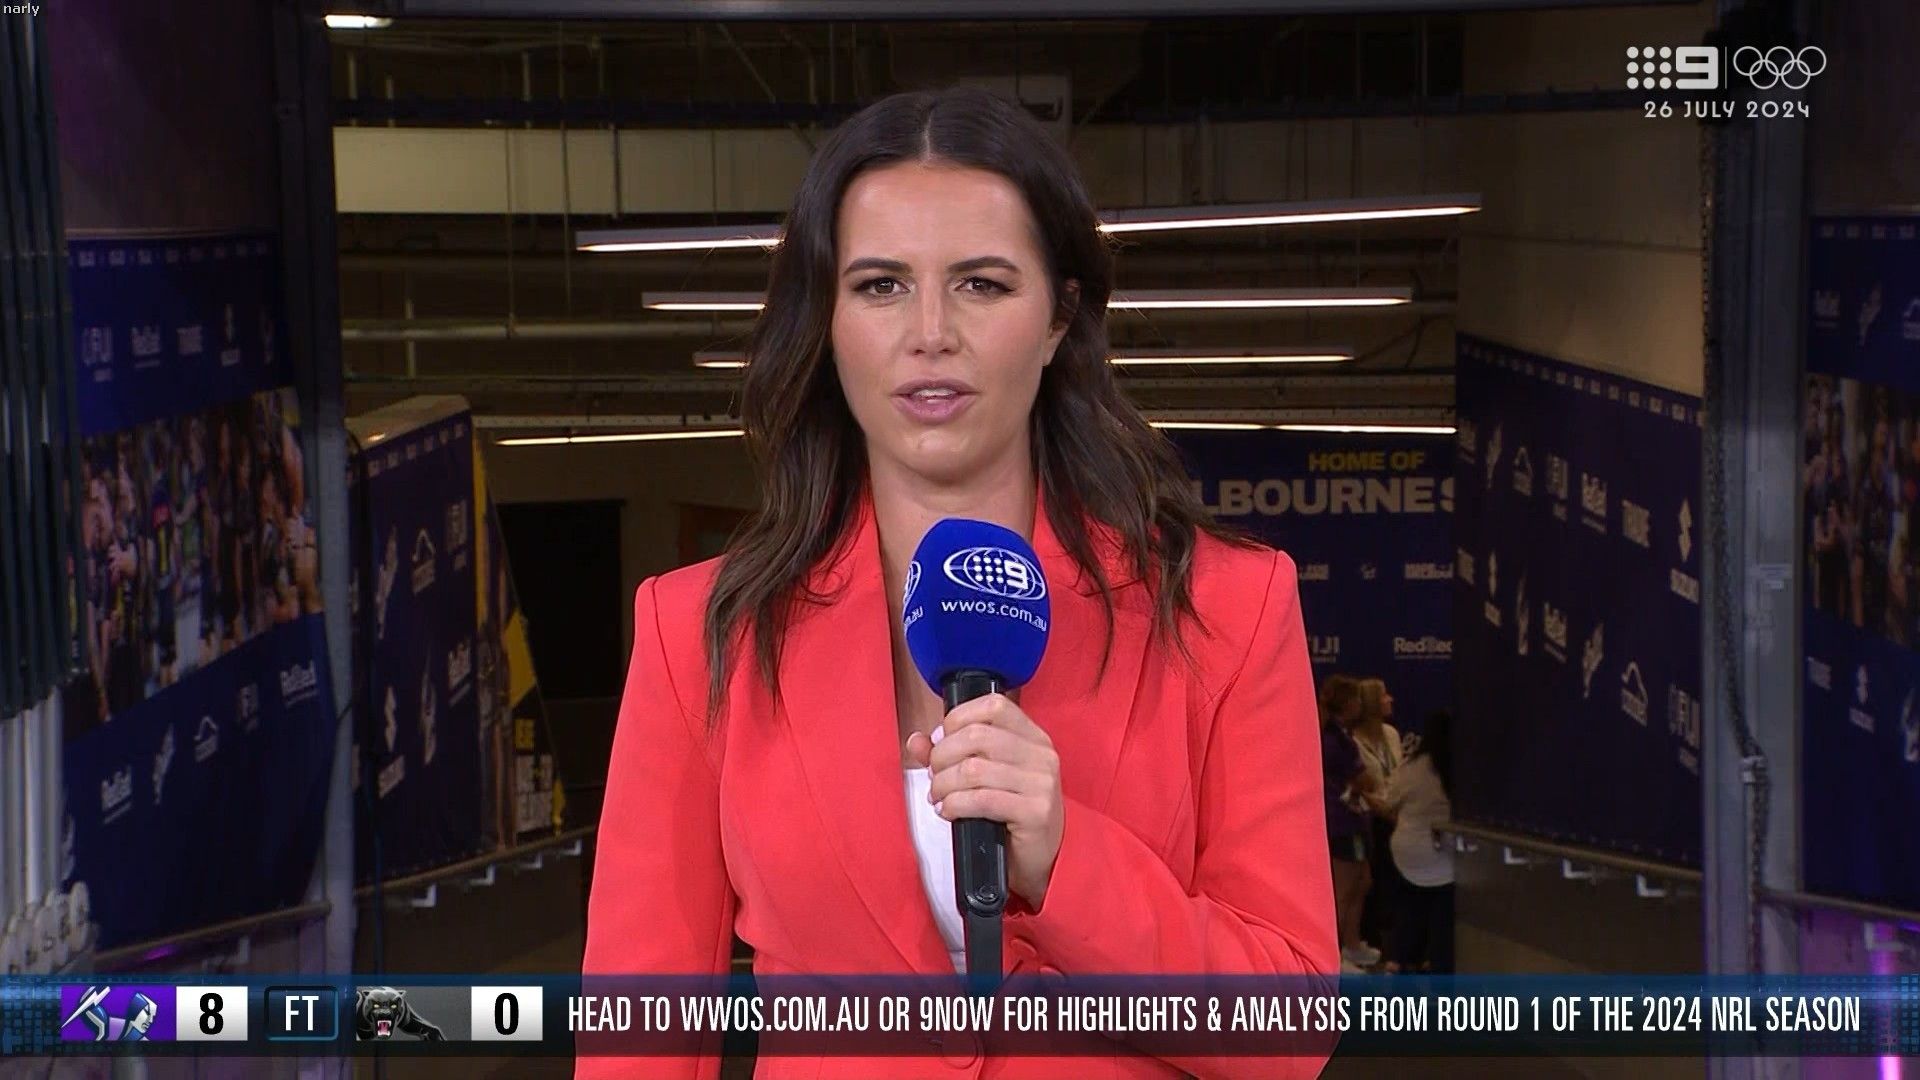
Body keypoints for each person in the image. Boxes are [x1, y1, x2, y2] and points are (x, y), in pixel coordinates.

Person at [581, 86, 1338, 1080]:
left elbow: (1288, 1031)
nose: (930, 330)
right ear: (827, 319)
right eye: (880, 285)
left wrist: (1066, 859)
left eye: (981, 283)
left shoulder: (1227, 609)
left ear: (1060, 316)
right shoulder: (698, 633)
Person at [1383, 709, 1454, 974]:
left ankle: (1398, 959)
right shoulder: (1460, 769)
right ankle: (1438, 965)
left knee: (1409, 906)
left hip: (1407, 850)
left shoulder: (1412, 767)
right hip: (1444, 852)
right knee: (1442, 912)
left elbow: (1389, 800)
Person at [1318, 674, 1378, 974]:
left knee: (1362, 881)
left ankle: (1352, 944)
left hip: (1353, 820)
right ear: (1346, 703)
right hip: (1342, 823)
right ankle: (1333, 957)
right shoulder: (1334, 740)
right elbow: (1363, 779)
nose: (1360, 704)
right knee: (1342, 890)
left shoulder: (1342, 735)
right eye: (1355, 698)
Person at [1352, 677, 1403, 966]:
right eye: (1384, 696)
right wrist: (1382, 809)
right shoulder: (1354, 742)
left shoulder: (1392, 735)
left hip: (1399, 816)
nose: (1390, 700)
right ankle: (1373, 943)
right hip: (1374, 821)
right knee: (1374, 884)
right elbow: (1361, 788)